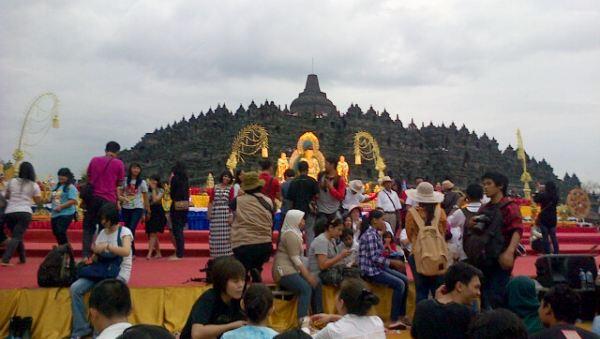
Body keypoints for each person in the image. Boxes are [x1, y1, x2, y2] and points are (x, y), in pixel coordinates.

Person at [70, 203, 133, 338]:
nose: (103, 222)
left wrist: (107, 247)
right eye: (102, 219)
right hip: (101, 270)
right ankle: (81, 328)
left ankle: (99, 333)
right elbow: (97, 255)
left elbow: (126, 251)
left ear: (112, 218)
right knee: (75, 288)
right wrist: (91, 258)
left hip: (118, 272)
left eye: (105, 219)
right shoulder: (102, 232)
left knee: (102, 293)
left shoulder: (124, 232)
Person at [477, 172, 523, 309]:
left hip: (502, 254)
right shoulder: (484, 208)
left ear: (500, 186)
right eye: (484, 184)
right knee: (484, 294)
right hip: (486, 257)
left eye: (489, 184)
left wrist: (509, 252)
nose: (485, 187)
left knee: (497, 294)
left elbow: (517, 230)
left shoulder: (510, 206)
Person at [358, 209, 409, 329]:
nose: (384, 222)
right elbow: (374, 257)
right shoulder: (370, 235)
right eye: (382, 219)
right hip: (371, 271)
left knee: (405, 280)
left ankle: (402, 315)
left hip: (377, 267)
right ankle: (394, 319)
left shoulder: (375, 233)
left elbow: (378, 254)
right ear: (375, 221)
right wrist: (393, 262)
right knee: (400, 284)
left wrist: (393, 258)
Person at [272, 209, 322, 322]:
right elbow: (296, 260)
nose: (304, 221)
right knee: (306, 288)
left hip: (292, 270)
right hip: (284, 271)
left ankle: (318, 316)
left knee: (317, 284)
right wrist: (308, 276)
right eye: (302, 219)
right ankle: (302, 321)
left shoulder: (295, 233)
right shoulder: (290, 235)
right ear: (295, 220)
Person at [411, 262, 482, 339]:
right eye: (476, 287)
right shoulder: (468, 315)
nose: (479, 293)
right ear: (459, 286)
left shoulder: (422, 307)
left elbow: (414, 334)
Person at [181, 256, 246, 339]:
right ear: (222, 282)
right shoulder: (209, 298)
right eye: (235, 281)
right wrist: (231, 326)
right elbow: (197, 333)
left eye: (243, 280)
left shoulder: (240, 299)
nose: (241, 285)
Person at [405, 182, 448, 303]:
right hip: (438, 254)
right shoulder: (441, 213)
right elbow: (443, 231)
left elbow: (409, 235)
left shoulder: (412, 214)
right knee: (438, 289)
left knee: (421, 291)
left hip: (418, 255)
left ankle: (421, 318)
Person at [83, 141, 126, 259]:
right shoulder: (119, 164)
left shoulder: (94, 160)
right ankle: (100, 255)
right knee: (105, 228)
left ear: (105, 150)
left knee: (88, 228)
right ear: (117, 152)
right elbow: (120, 183)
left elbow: (89, 177)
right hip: (108, 200)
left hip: (93, 199)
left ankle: (86, 255)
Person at [230, 171, 274, 282]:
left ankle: (243, 281)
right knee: (257, 265)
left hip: (243, 244)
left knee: (242, 269)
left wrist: (240, 195)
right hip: (265, 244)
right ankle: (257, 273)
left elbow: (230, 206)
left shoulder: (238, 201)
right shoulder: (268, 201)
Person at [311, 278, 386, 339]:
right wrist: (331, 317)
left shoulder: (333, 330)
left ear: (341, 302)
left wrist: (305, 327)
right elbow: (355, 322)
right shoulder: (377, 322)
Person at [1, 162, 42, 265]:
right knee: (17, 236)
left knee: (16, 235)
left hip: (10, 212)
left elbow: (6, 196)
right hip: (24, 212)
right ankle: (5, 259)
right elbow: (38, 201)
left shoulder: (12, 181)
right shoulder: (34, 185)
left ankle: (22, 257)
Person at [532, 284, 599, 339]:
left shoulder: (537, 337)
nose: (538, 310)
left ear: (548, 308)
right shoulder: (594, 337)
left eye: (540, 305)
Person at [446, 183, 483, 264]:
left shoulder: (461, 212)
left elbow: (449, 223)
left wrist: (457, 206)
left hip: (465, 250)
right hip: (484, 250)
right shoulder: (488, 210)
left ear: (467, 196)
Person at [285, 161, 319, 246]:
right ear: (307, 170)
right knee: (310, 233)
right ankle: (309, 255)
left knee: (296, 233)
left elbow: (290, 198)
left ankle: (297, 254)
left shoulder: (294, 182)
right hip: (309, 210)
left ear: (298, 170)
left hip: (296, 211)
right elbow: (317, 196)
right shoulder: (312, 181)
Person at [119, 163, 149, 257]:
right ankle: (131, 250)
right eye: (134, 168)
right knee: (127, 228)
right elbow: (119, 193)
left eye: (138, 168)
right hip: (126, 207)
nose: (136, 170)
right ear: (130, 169)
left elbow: (145, 198)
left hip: (137, 207)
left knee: (132, 228)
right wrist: (119, 202)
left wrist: (146, 211)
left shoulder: (142, 182)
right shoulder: (124, 180)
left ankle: (130, 250)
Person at [315, 157, 346, 236]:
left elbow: (341, 196)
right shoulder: (321, 175)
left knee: (335, 233)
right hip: (321, 210)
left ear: (332, 165)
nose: (325, 165)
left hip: (334, 210)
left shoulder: (339, 180)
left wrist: (331, 188)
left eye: (326, 163)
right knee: (320, 232)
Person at [208, 170, 235, 258]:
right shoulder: (215, 187)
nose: (226, 178)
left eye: (228, 177)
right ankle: (215, 254)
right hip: (216, 214)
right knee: (215, 234)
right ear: (222, 177)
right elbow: (211, 201)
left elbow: (231, 202)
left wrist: (231, 215)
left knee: (226, 235)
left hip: (226, 213)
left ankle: (227, 254)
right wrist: (209, 213)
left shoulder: (231, 188)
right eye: (225, 176)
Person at [50, 168, 78, 245]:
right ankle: (63, 249)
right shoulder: (56, 187)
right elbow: (52, 198)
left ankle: (66, 250)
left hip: (66, 213)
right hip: (55, 213)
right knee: (56, 232)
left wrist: (61, 207)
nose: (60, 177)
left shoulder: (70, 187)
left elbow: (73, 200)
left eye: (63, 175)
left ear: (68, 176)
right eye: (59, 175)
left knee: (61, 231)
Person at [169, 162, 189, 260]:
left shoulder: (174, 179)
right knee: (180, 229)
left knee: (177, 230)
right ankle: (180, 252)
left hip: (176, 205)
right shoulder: (186, 179)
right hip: (185, 206)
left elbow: (172, 194)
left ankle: (179, 253)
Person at [533, 181, 560, 254]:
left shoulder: (543, 195)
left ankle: (547, 253)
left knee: (545, 237)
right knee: (553, 237)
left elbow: (535, 199)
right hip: (553, 219)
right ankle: (556, 252)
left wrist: (538, 190)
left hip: (544, 218)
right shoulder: (556, 197)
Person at [145, 175, 166, 259]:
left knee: (153, 232)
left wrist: (153, 189)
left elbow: (155, 200)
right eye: (151, 180)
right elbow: (145, 201)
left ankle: (149, 253)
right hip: (149, 211)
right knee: (150, 233)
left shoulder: (161, 190)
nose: (153, 182)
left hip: (157, 211)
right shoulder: (146, 190)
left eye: (155, 180)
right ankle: (158, 253)